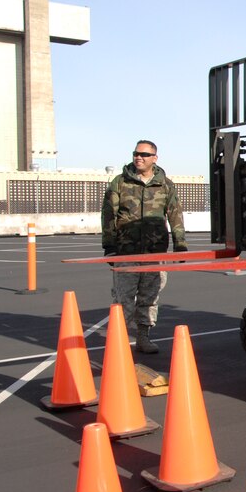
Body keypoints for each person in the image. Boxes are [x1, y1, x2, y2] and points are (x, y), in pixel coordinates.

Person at [101, 140, 188, 354]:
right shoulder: (120, 182)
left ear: (154, 158)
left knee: (150, 298)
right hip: (126, 253)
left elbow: (175, 213)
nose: (138, 157)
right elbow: (108, 215)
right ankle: (118, 344)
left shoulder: (165, 184)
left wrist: (180, 244)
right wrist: (109, 245)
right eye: (135, 153)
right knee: (123, 300)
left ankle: (143, 337)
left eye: (144, 154)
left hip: (155, 253)